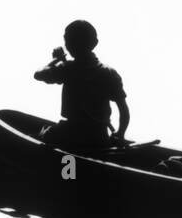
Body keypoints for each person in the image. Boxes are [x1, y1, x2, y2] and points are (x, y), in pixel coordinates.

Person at [34, 20, 129, 153]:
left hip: (70, 134)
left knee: (43, 134)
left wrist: (57, 59)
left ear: (68, 44)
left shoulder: (67, 69)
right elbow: (124, 111)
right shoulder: (109, 73)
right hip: (99, 138)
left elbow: (38, 75)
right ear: (95, 43)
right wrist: (120, 134)